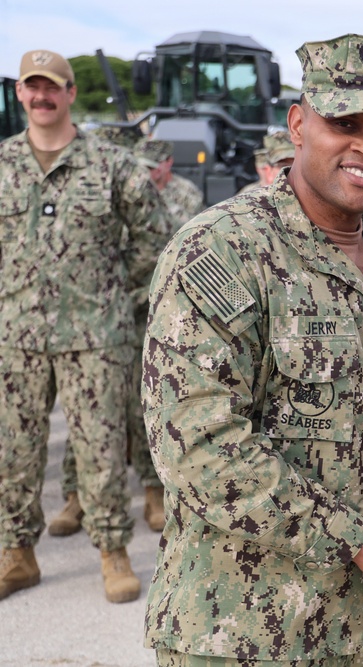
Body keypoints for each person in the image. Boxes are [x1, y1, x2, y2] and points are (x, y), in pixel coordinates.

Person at [140, 34, 363, 664]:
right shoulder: (221, 250)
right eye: (344, 123)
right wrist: (359, 540)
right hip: (240, 633)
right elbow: (199, 447)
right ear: (298, 124)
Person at [0, 49, 170, 603]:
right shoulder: (3, 165)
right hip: (16, 334)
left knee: (99, 448)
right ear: (22, 94)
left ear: (71, 93)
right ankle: (18, 554)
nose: (42, 95)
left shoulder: (112, 164)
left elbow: (154, 238)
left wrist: (116, 293)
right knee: (14, 449)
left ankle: (112, 552)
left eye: (54, 86)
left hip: (96, 334)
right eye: (33, 86)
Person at [51, 137, 207, 536]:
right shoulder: (114, 190)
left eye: (152, 166)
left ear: (167, 164)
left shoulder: (185, 196)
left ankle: (154, 489)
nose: (146, 172)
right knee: (91, 405)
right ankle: (75, 495)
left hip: (156, 310)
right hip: (110, 309)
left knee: (145, 404)